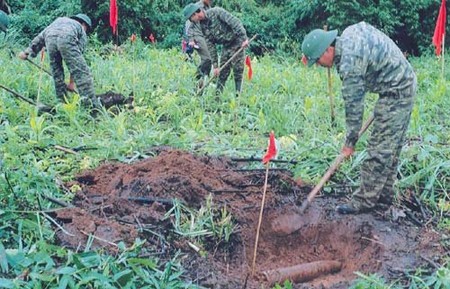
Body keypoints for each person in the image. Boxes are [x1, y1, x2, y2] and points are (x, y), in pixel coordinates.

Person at [301, 22, 417, 214]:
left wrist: (350, 142)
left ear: (327, 51)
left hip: (398, 90)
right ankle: (382, 200)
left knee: (379, 150)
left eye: (318, 61)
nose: (320, 66)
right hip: (396, 86)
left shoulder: (349, 62)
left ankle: (364, 202)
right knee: (389, 149)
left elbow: (354, 105)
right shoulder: (347, 37)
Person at [18, 14, 99, 108]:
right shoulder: (80, 29)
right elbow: (77, 65)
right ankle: (91, 107)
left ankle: (62, 104)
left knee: (57, 74)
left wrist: (26, 52)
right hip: (67, 37)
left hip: (50, 39)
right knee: (82, 74)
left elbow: (40, 37)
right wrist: (72, 83)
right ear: (84, 24)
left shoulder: (58, 21)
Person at [183, 3, 249, 96]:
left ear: (195, 14)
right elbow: (210, 44)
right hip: (226, 45)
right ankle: (217, 97)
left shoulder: (217, 12)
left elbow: (235, 22)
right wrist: (215, 66)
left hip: (237, 41)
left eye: (191, 19)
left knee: (238, 71)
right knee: (222, 72)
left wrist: (244, 38)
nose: (192, 21)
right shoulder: (202, 25)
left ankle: (238, 97)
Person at [183, 0, 212, 90]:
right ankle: (198, 78)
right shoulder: (195, 8)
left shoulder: (208, 7)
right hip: (197, 37)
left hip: (204, 36)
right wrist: (190, 40)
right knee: (207, 58)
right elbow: (189, 24)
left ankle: (203, 78)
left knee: (209, 58)